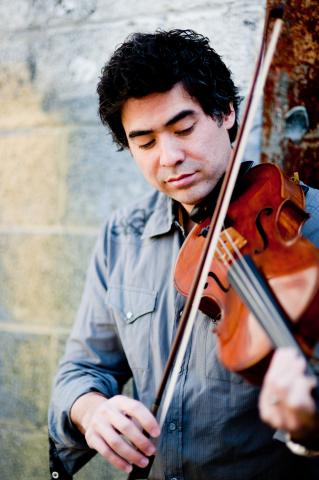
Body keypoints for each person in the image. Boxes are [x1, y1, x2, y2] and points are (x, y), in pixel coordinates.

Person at [48, 29, 319, 480]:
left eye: (183, 128)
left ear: (227, 112)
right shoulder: (122, 236)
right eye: (145, 142)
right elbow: (80, 368)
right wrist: (90, 410)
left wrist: (309, 426)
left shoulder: (307, 225)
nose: (169, 156)